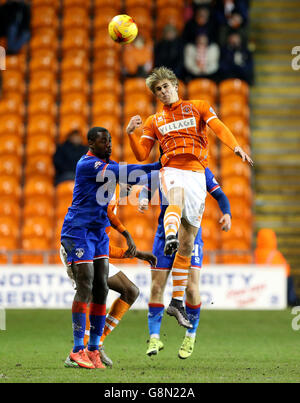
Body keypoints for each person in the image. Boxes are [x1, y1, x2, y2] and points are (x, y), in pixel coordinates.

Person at [126, 66, 253, 329]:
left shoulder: (199, 106)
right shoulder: (154, 121)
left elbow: (218, 127)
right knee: (175, 198)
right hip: (171, 168)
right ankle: (169, 233)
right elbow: (141, 155)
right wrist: (130, 134)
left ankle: (176, 301)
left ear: (175, 85)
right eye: (157, 90)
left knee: (187, 243)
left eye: (165, 86)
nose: (162, 92)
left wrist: (236, 147)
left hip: (197, 172)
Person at [61, 126, 160, 369]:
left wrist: (126, 234)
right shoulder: (88, 165)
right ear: (91, 144)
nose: (109, 145)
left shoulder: (108, 169)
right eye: (104, 141)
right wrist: (159, 165)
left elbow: (111, 206)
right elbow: (125, 172)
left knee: (102, 289)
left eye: (110, 141)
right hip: (78, 231)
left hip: (98, 234)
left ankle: (94, 348)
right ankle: (77, 350)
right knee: (86, 285)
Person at [138, 168, 231, 359]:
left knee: (191, 288)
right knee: (157, 287)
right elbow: (146, 187)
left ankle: (190, 335)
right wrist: (143, 199)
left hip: (191, 236)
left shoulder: (199, 169)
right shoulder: (163, 168)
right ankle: (154, 337)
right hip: (165, 235)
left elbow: (220, 195)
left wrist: (227, 213)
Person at [255, 229, 298, 307]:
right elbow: (284, 267)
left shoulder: (256, 253)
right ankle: (292, 300)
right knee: (289, 285)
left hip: (264, 279)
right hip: (279, 278)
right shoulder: (274, 253)